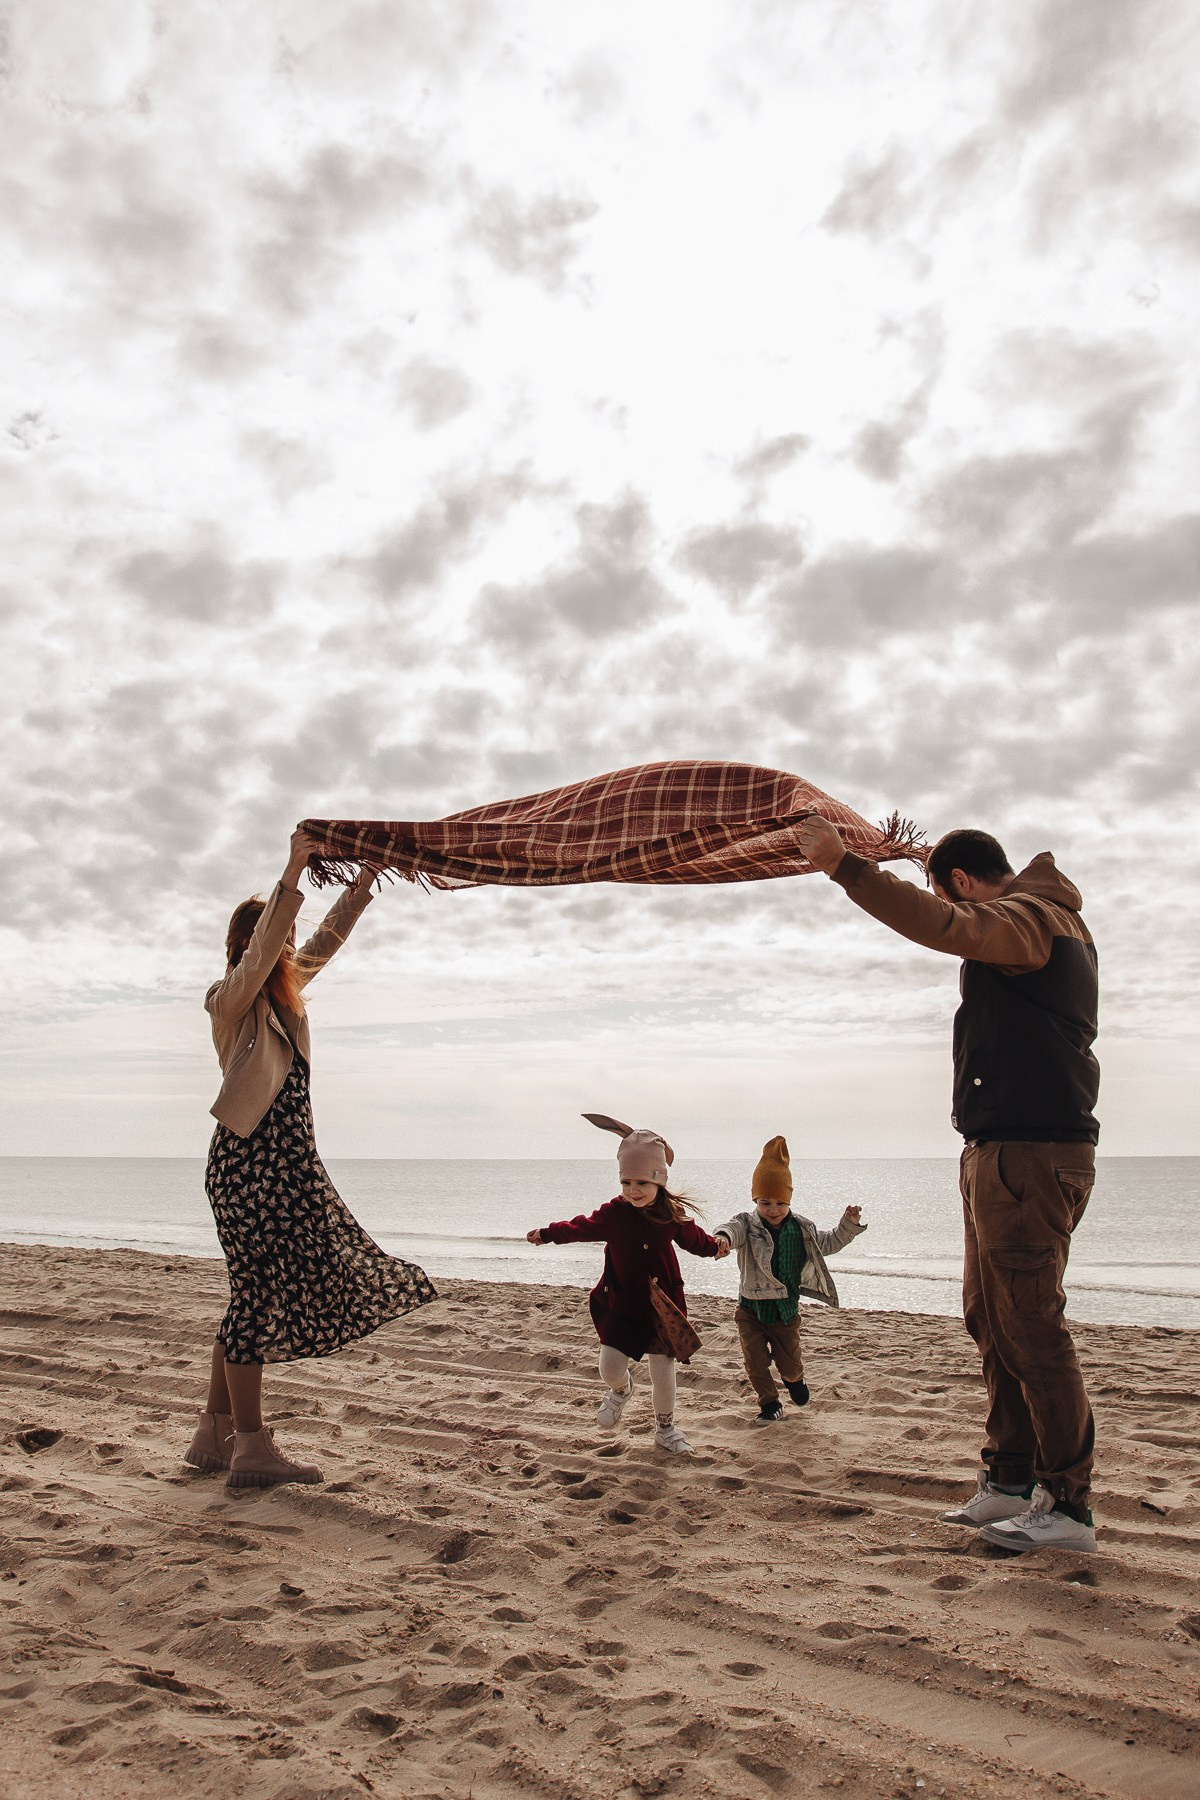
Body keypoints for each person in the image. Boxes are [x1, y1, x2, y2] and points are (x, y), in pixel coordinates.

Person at [795, 817, 1100, 1553]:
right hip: (997, 1151)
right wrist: (895, 852)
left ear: (963, 882)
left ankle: (1068, 1510)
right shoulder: (1028, 917)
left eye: (949, 889)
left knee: (1032, 1325)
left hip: (1031, 1154)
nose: (956, 908)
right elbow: (953, 914)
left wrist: (847, 869)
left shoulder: (1034, 919)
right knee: (990, 1320)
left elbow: (942, 924)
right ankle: (1007, 1484)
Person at [184, 827, 436, 1490]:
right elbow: (272, 941)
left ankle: (213, 1437)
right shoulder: (227, 1000)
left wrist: (361, 883)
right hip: (249, 1163)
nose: (287, 949)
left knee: (249, 1294)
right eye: (273, 938)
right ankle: (253, 1447)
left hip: (289, 1165)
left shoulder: (285, 998)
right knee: (253, 1297)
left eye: (289, 942)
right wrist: (293, 870)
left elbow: (322, 938)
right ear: (245, 946)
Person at [525, 1113, 728, 1454]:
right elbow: (580, 1227)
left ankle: (666, 1429)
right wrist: (547, 1234)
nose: (633, 1191)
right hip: (620, 1303)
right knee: (610, 1368)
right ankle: (621, 1390)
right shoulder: (613, 1214)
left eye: (642, 1184)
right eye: (626, 1183)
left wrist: (718, 1247)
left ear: (659, 1181)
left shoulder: (671, 1216)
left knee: (663, 1373)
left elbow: (698, 1241)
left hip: (663, 1308)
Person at [714, 1135, 865, 1425]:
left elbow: (829, 1243)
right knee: (755, 1364)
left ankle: (794, 1380)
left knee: (790, 1365)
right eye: (765, 1202)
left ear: (789, 1200)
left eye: (780, 1202)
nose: (773, 1209)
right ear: (755, 1199)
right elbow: (730, 1230)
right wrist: (721, 1239)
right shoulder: (746, 1223)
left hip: (786, 1313)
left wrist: (848, 1226)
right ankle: (770, 1404)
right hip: (750, 1311)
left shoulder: (802, 1228)